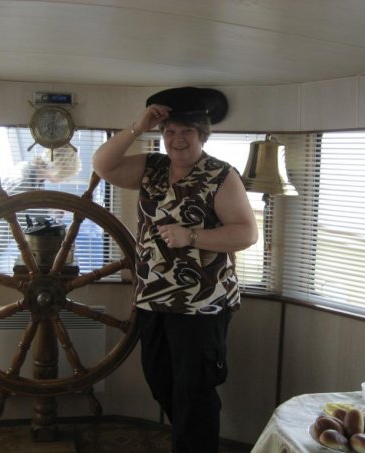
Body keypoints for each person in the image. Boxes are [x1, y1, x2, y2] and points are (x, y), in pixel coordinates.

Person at [92, 87, 258, 453]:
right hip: (152, 299)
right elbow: (102, 165)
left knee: (194, 392)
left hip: (201, 304)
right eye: (169, 131)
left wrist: (192, 236)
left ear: (202, 135)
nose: (177, 139)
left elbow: (246, 233)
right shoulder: (152, 167)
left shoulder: (220, 175)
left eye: (186, 131)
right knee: (161, 382)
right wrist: (138, 127)